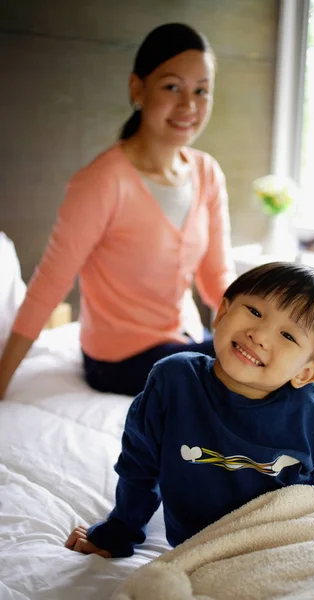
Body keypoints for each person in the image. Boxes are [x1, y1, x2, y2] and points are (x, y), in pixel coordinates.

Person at [0, 23, 235, 399]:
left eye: (201, 90)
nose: (189, 105)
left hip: (184, 339)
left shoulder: (207, 173)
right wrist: (1, 380)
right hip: (118, 360)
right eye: (172, 86)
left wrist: (255, 335)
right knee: (244, 376)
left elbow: (216, 279)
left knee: (266, 366)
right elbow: (49, 286)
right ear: (137, 88)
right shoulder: (102, 182)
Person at [65, 261, 314, 559]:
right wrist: (121, 529)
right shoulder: (173, 381)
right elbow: (139, 465)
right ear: (223, 312)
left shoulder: (311, 416)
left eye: (288, 336)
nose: (260, 335)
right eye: (254, 311)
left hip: (272, 547)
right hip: (193, 545)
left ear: (305, 373)